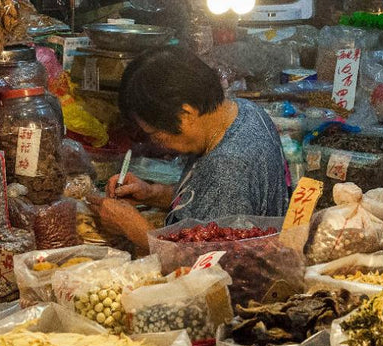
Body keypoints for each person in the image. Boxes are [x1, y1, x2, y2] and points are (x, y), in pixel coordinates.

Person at [87, 46, 290, 253]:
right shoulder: (243, 110)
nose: (157, 143)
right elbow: (207, 197)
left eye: (155, 134)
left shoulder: (227, 167)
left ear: (186, 114)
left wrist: (133, 228)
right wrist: (153, 194)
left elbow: (211, 267)